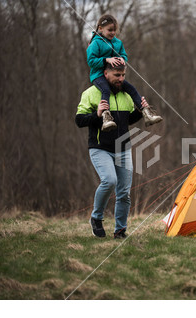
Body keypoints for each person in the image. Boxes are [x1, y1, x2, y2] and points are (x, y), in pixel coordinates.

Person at [75, 63, 144, 239]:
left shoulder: (126, 94)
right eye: (117, 75)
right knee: (109, 180)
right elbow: (79, 120)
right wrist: (97, 115)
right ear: (106, 73)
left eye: (123, 75)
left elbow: (127, 120)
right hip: (100, 148)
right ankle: (96, 218)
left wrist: (141, 110)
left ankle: (120, 230)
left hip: (123, 149)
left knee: (124, 193)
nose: (121, 79)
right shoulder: (91, 93)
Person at [87, 14, 162, 131]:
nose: (112, 33)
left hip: (115, 76)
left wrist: (122, 58)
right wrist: (106, 59)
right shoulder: (96, 43)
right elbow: (91, 61)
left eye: (114, 30)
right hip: (99, 76)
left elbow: (124, 55)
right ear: (100, 28)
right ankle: (106, 117)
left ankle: (146, 113)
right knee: (105, 90)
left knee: (131, 89)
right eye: (109, 30)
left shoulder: (118, 43)